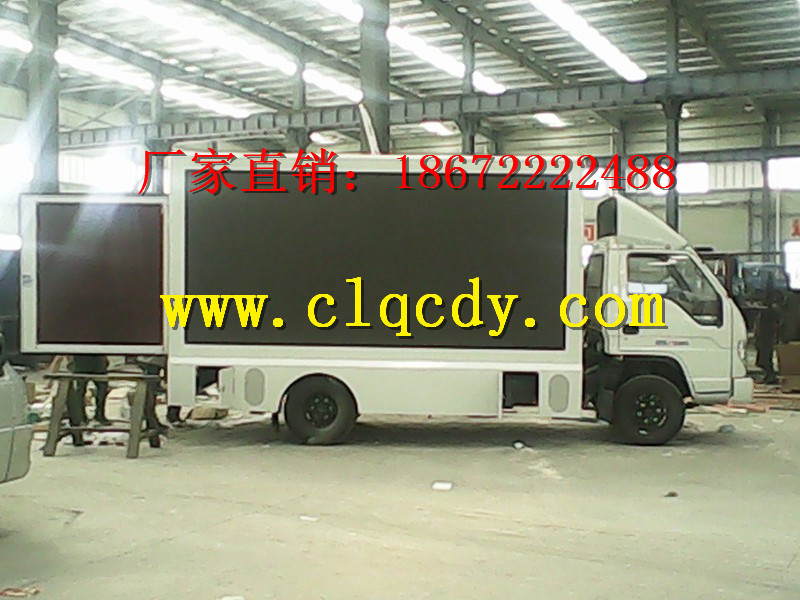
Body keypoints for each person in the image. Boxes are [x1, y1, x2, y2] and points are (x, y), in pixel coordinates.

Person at [69, 354, 111, 425]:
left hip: (97, 360)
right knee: (80, 392)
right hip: (81, 360)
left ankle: (99, 415)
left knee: (102, 388)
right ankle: (80, 418)